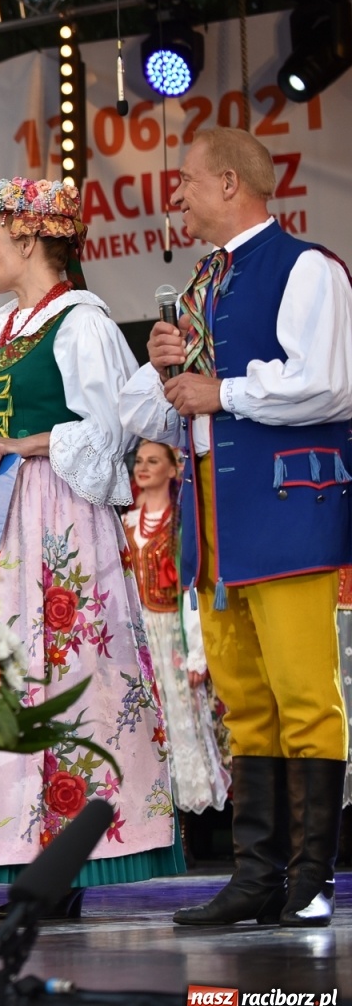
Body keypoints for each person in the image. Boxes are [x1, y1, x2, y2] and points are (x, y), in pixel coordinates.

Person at [0, 177, 180, 920]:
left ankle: (68, 861)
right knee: (7, 677)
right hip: (3, 518)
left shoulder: (83, 324)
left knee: (71, 674)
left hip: (60, 514)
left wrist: (25, 443)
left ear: (31, 241)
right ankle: (18, 859)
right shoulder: (0, 329)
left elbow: (106, 439)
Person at [121, 127, 352, 928]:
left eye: (185, 182)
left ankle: (311, 877)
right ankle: (256, 876)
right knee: (245, 703)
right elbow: (168, 409)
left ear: (228, 184)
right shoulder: (200, 285)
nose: (176, 196)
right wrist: (165, 374)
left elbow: (326, 384)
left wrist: (222, 391)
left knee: (304, 697)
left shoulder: (306, 268)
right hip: (214, 521)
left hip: (285, 511)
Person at [122, 440, 229, 818]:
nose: (143, 467)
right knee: (143, 724)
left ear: (173, 469)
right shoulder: (125, 524)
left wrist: (198, 651)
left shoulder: (183, 523)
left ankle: (189, 813)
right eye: (139, 461)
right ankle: (151, 811)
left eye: (154, 461)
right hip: (139, 636)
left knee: (182, 720)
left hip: (174, 633)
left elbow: (193, 589)